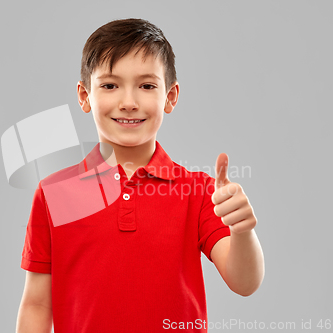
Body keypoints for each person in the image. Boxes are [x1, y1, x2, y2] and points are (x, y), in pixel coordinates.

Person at [16, 18, 264, 333]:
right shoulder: (54, 194)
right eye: (109, 85)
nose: (129, 103)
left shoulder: (199, 192)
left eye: (146, 86)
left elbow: (245, 282)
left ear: (171, 96)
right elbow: (37, 304)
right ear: (84, 96)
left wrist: (241, 230)